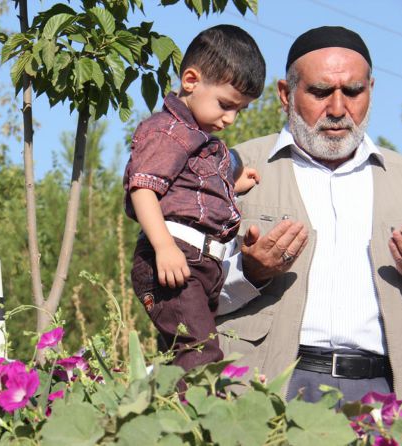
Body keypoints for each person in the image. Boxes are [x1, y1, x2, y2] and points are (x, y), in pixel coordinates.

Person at [216, 26, 402, 403]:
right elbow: (173, 292)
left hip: (384, 394)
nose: (338, 110)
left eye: (353, 92)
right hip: (268, 387)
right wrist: (248, 273)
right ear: (285, 95)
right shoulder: (230, 168)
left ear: (370, 89)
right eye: (320, 92)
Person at [124, 24, 265, 372]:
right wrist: (163, 247)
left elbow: (192, 189)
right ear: (190, 81)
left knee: (182, 355)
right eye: (226, 105)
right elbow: (143, 190)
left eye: (240, 110)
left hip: (202, 264)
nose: (230, 118)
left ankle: (172, 418)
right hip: (176, 255)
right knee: (200, 355)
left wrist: (232, 184)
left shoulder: (200, 139)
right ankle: (203, 420)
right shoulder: (167, 131)